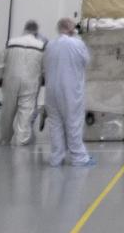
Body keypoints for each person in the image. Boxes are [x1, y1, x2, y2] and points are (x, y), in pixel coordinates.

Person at [42, 18, 94, 167]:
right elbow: (86, 61)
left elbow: (45, 65)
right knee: (73, 123)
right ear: (72, 28)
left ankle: (56, 158)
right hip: (70, 91)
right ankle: (79, 157)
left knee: (55, 124)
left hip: (51, 91)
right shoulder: (77, 43)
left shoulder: (50, 45)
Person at [0, 20, 45, 146]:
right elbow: (45, 66)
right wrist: (44, 78)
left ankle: (5, 139)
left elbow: (1, 62)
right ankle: (21, 140)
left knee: (7, 110)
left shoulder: (11, 42)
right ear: (36, 31)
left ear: (25, 29)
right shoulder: (40, 45)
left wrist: (0, 77)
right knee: (26, 111)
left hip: (10, 80)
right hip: (30, 82)